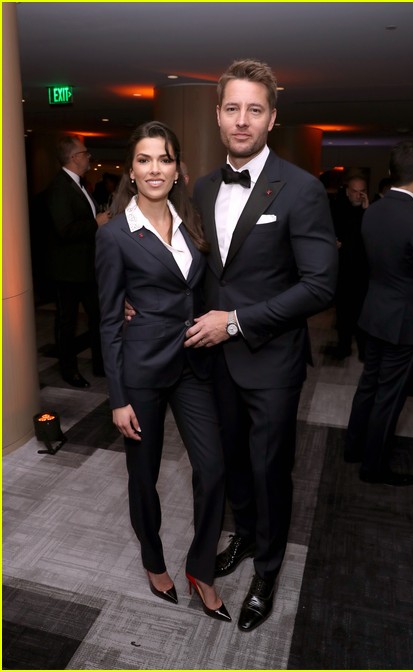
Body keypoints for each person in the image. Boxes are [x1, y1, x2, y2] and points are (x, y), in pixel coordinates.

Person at [183, 59, 338, 631]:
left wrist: (239, 321)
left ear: (272, 117)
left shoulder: (301, 188)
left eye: (254, 109)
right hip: (213, 360)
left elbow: (320, 285)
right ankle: (244, 535)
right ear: (218, 115)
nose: (242, 120)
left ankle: (268, 568)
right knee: (230, 464)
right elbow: (203, 271)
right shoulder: (201, 186)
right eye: (232, 108)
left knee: (271, 468)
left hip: (271, 360)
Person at [96, 121, 230, 622]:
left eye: (164, 159)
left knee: (213, 468)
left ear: (177, 168)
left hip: (193, 364)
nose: (155, 169)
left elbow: (198, 287)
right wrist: (117, 397)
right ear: (131, 170)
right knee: (142, 477)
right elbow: (109, 320)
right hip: (142, 374)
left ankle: (201, 568)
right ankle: (153, 560)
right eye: (145, 160)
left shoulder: (192, 217)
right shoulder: (114, 234)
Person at [344, 141, 413, 485]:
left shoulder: (374, 210)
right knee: (390, 396)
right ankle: (373, 467)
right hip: (405, 321)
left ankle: (353, 447)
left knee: (369, 385)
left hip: (373, 312)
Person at [45, 134, 110, 387]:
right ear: (74, 158)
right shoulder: (60, 187)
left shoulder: (81, 184)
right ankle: (68, 370)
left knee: (98, 318)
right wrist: (96, 223)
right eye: (85, 153)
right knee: (67, 323)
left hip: (88, 268)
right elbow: (65, 230)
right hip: (68, 271)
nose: (88, 157)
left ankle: (101, 365)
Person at [331, 173, 370, 360]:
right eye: (355, 191)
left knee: (364, 314)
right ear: (347, 192)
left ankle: (364, 351)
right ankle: (343, 346)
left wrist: (366, 210)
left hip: (365, 273)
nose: (358, 195)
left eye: (362, 191)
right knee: (343, 314)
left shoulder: (370, 212)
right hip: (342, 272)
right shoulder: (337, 209)